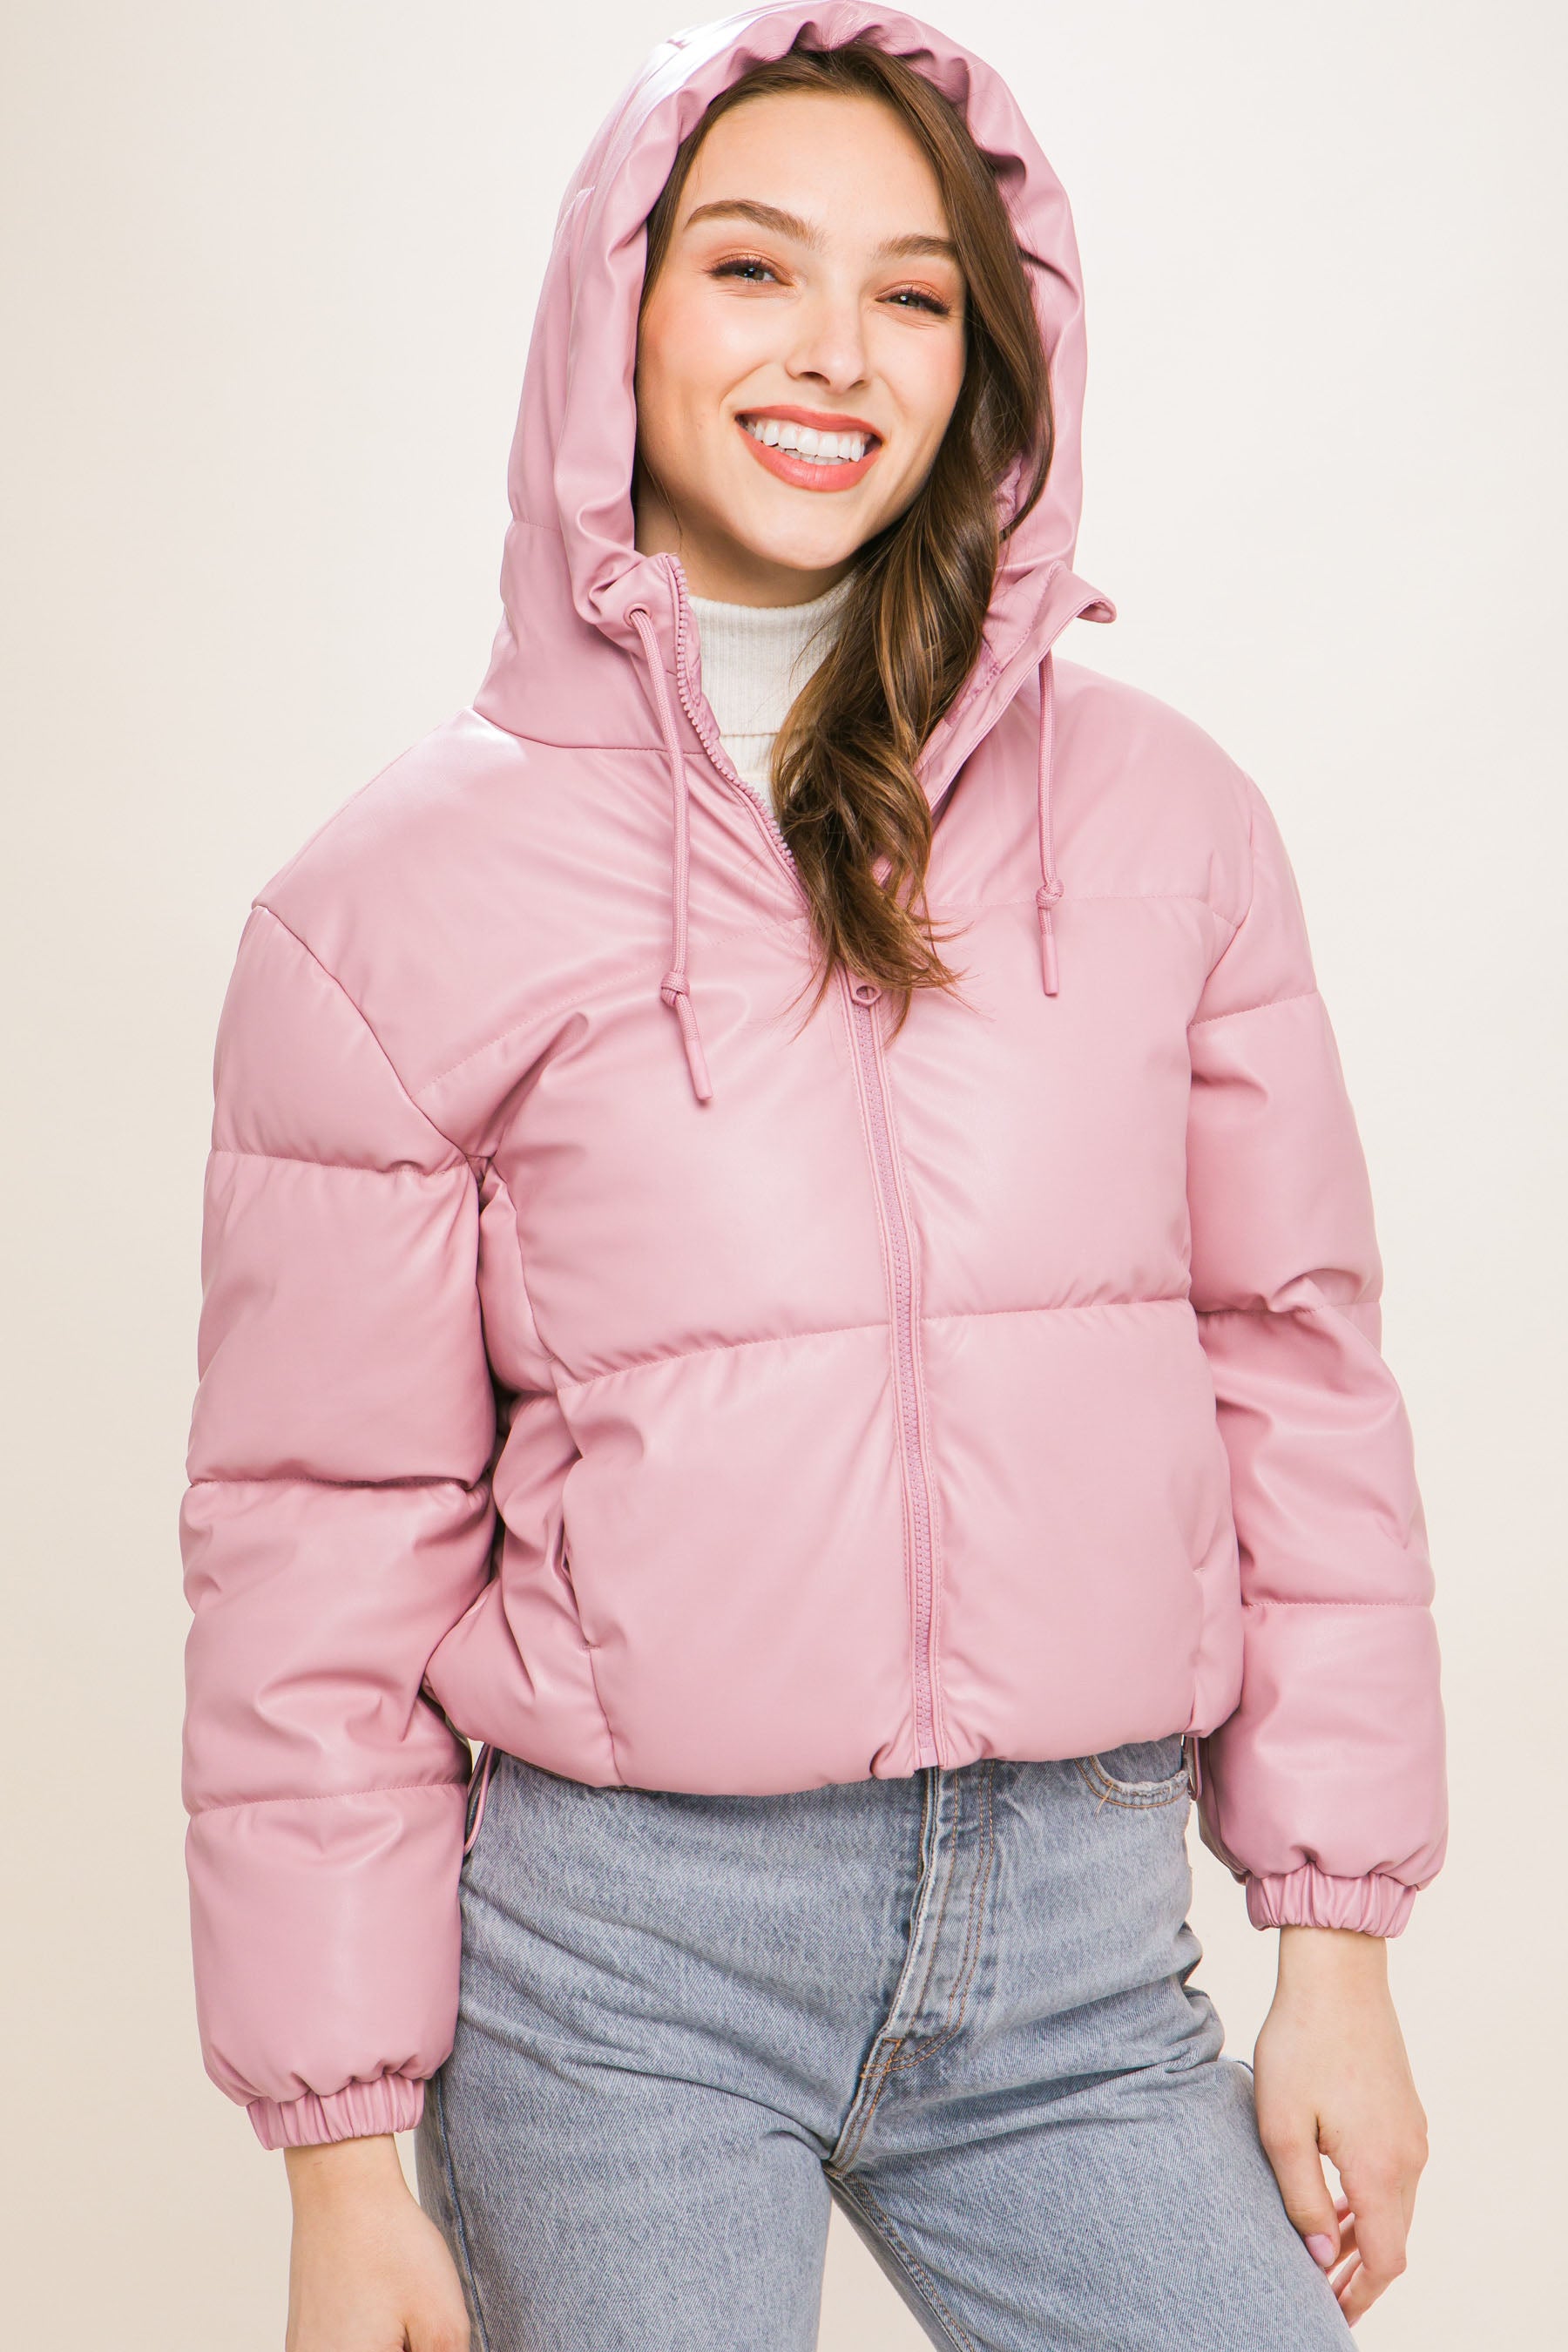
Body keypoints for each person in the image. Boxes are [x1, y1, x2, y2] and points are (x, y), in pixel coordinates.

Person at [178, 8, 1446, 2348]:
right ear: (619, 311)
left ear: (991, 358)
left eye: (914, 293)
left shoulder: (1169, 825)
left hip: (1080, 1948)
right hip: (616, 1973)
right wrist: (341, 2159)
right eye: (754, 267)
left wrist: (1337, 1948)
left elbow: (1297, 1381)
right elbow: (318, 1546)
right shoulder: (383, 912)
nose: (837, 353)